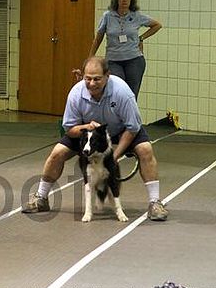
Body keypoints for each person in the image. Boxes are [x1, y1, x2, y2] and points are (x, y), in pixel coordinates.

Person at [22, 56, 168, 221]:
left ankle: (155, 202)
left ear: (107, 75)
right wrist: (86, 128)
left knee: (145, 149)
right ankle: (41, 197)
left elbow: (133, 128)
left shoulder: (123, 93)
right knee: (57, 153)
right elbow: (69, 128)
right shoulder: (76, 94)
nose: (92, 83)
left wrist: (114, 156)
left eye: (97, 79)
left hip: (121, 130)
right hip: (89, 135)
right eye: (88, 79)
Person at [88, 0, 161, 99]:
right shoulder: (107, 16)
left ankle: (129, 116)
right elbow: (98, 38)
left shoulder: (136, 16)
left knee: (131, 96)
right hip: (113, 60)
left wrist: (141, 38)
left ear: (131, 1)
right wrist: (90, 58)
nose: (125, 0)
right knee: (118, 92)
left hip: (134, 59)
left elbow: (157, 25)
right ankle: (116, 116)